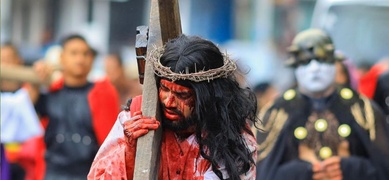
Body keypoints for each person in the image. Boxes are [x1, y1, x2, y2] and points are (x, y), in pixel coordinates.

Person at [88, 35, 258, 179]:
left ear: (208, 97)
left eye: (182, 95)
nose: (168, 102)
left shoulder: (233, 138)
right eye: (164, 89)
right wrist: (129, 154)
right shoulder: (133, 119)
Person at [256, 29, 389, 180]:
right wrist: (303, 171)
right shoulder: (278, 112)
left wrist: (350, 168)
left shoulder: (362, 109)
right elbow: (261, 172)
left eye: (322, 60)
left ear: (334, 62)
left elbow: (384, 167)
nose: (314, 69)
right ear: (295, 66)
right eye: (305, 61)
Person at [33, 34, 119, 179]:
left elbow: (112, 142)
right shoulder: (49, 93)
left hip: (88, 172)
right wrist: (35, 78)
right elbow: (27, 109)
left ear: (92, 59)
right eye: (74, 53)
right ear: (62, 58)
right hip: (52, 172)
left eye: (86, 54)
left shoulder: (103, 93)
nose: (80, 59)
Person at [1, 44, 44, 180]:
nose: (5, 64)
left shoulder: (29, 89)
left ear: (18, 61)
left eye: (8, 59)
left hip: (26, 162)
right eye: (1, 59)